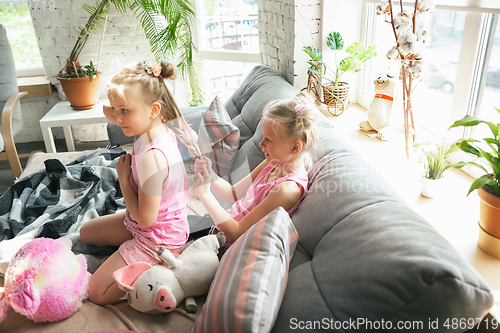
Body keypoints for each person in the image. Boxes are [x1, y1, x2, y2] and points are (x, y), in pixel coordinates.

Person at [80, 60, 200, 305]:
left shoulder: (153, 158)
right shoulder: (151, 126)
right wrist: (117, 104)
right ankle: (131, 255)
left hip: (158, 238)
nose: (117, 118)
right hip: (141, 223)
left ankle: (164, 267)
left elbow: (147, 218)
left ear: (154, 110)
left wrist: (123, 179)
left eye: (124, 111)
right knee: (86, 233)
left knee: (96, 293)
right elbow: (113, 110)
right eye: (116, 110)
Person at [194, 92, 318, 248]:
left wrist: (204, 194)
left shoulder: (286, 190)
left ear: (295, 147)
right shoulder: (272, 162)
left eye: (268, 140)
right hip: (219, 226)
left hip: (225, 245)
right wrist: (209, 175)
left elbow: (236, 232)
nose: (261, 143)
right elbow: (231, 194)